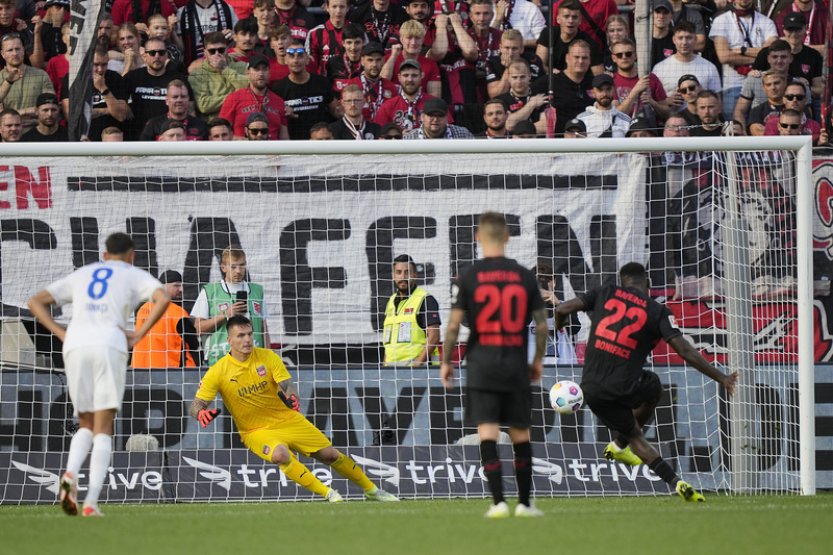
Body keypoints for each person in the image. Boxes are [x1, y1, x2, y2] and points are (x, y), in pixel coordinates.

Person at [554, 262, 737, 503]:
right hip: (626, 385)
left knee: (635, 437)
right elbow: (684, 351)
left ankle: (668, 477)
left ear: (621, 281)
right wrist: (722, 378)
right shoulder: (658, 311)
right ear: (647, 283)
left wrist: (559, 329)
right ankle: (627, 449)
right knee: (654, 387)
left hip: (591, 389)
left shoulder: (604, 292)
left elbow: (563, 308)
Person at [27, 233, 171, 517]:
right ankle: (91, 501)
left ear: (105, 254)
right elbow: (163, 296)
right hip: (109, 344)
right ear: (131, 255)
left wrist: (60, 333)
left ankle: (69, 476)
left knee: (85, 422)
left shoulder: (84, 273)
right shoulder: (132, 273)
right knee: (104, 427)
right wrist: (139, 334)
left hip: (76, 345)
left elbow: (35, 302)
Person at [190, 315, 399, 502]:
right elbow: (196, 404)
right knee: (281, 455)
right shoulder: (218, 371)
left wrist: (291, 396)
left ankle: (372, 491)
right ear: (229, 340)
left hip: (288, 419)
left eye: (249, 334)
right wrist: (201, 412)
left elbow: (287, 386)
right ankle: (329, 494)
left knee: (330, 455)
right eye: (240, 336)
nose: (247, 340)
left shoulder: (267, 357)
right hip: (255, 431)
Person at [441, 212, 548, 518]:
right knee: (519, 433)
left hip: (481, 363)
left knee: (487, 431)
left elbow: (452, 327)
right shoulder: (525, 276)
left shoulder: (468, 276)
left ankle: (498, 502)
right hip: (514, 362)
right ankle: (525, 504)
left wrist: (446, 361)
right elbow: (541, 327)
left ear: (478, 237)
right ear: (508, 237)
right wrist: (537, 361)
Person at [191, 245, 271, 367]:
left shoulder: (257, 291)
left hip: (253, 362)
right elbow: (197, 329)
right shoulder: (210, 291)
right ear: (223, 267)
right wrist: (225, 315)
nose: (238, 271)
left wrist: (269, 358)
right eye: (233, 266)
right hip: (220, 362)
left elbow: (264, 328)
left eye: (242, 265)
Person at [710, 0, 778, 119]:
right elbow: (724, 56)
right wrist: (759, 57)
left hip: (762, 83)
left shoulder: (767, 22)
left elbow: (772, 52)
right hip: (733, 85)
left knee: (761, 125)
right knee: (734, 128)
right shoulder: (721, 21)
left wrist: (742, 50)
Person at [270, 39, 337, 140]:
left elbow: (337, 112)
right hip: (295, 145)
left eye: (300, 56)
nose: (296, 60)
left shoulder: (322, 82)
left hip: (321, 144)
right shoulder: (278, 88)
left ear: (307, 59)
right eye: (291, 56)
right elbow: (273, 121)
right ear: (285, 60)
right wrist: (281, 112)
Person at [132, 270, 200, 369]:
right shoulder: (177, 313)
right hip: (169, 372)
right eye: (176, 285)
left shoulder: (142, 310)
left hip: (139, 371)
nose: (181, 289)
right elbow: (194, 344)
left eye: (182, 286)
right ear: (162, 287)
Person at [382, 254, 441, 365]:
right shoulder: (390, 302)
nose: (403, 277)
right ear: (393, 275)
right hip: (391, 373)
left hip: (421, 374)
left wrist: (417, 366)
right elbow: (389, 343)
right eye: (398, 272)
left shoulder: (425, 299)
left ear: (414, 275)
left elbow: (434, 337)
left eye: (407, 272)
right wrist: (384, 367)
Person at [219, 53, 289, 140]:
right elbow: (220, 132)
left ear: (270, 73)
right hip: (242, 151)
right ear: (248, 72)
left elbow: (284, 138)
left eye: (265, 69)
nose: (261, 74)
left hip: (271, 152)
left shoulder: (279, 101)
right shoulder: (233, 98)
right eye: (256, 69)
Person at [188, 31, 249, 120]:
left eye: (221, 50)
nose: (217, 54)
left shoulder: (243, 66)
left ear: (227, 50)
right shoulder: (197, 74)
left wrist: (225, 69)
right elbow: (204, 105)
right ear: (205, 53)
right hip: (214, 125)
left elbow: (249, 91)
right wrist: (236, 97)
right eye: (212, 51)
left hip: (240, 120)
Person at [0, 34, 54, 132]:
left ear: (23, 50)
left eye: (18, 49)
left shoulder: (41, 75)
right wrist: (27, 112)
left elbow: (49, 108)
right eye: (10, 50)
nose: (15, 53)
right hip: (8, 136)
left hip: (35, 134)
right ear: (3, 54)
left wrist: (12, 115)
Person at [652, 22, 721, 99]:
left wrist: (701, 93)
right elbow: (653, 100)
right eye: (680, 38)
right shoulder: (660, 68)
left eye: (689, 38)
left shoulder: (710, 68)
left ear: (695, 39)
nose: (684, 42)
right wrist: (666, 102)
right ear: (674, 40)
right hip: (670, 111)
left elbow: (717, 100)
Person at [535, 0, 603, 76]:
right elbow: (539, 64)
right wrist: (552, 72)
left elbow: (599, 75)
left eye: (574, 17)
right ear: (558, 19)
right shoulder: (548, 34)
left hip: (579, 84)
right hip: (550, 79)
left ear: (580, 20)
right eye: (566, 16)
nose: (570, 21)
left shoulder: (589, 43)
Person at [87, 42, 131, 141]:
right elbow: (73, 116)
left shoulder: (115, 78)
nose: (100, 69)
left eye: (104, 64)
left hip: (114, 139)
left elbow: (121, 115)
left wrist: (103, 88)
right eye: (96, 65)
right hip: (88, 139)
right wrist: (108, 110)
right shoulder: (78, 81)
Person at [140, 79, 210, 140]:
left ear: (188, 99)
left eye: (183, 96)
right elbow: (143, 151)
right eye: (175, 97)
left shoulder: (201, 125)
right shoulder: (154, 124)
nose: (179, 100)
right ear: (167, 100)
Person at [486, 29, 544, 99]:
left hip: (531, 100)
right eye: (507, 48)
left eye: (514, 48)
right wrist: (508, 68)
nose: (510, 53)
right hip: (504, 104)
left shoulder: (533, 60)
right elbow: (495, 95)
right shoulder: (493, 62)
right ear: (500, 48)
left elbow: (540, 89)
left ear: (522, 49)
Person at [575, 73, 631, 138]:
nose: (604, 94)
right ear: (593, 92)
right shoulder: (581, 119)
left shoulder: (626, 120)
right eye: (600, 90)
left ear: (614, 90)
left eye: (608, 89)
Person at [305, 0, 350, 74]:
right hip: (322, 82)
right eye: (334, 7)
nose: (338, 11)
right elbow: (309, 65)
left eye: (342, 7)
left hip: (350, 82)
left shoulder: (357, 31)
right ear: (327, 7)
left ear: (347, 8)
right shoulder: (314, 33)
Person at [403, 97, 474, 139]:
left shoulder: (463, 135)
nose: (435, 119)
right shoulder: (410, 138)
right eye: (431, 115)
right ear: (422, 117)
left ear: (447, 117)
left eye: (440, 115)